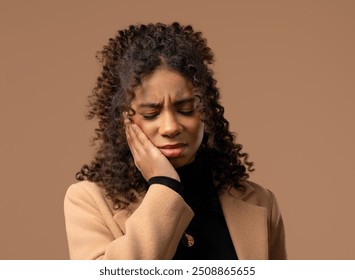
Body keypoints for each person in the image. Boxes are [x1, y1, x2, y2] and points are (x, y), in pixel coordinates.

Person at [64, 22, 286, 260]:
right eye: (151, 114)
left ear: (207, 112)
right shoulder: (88, 201)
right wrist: (164, 185)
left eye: (187, 109)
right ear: (124, 120)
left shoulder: (261, 203)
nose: (170, 127)